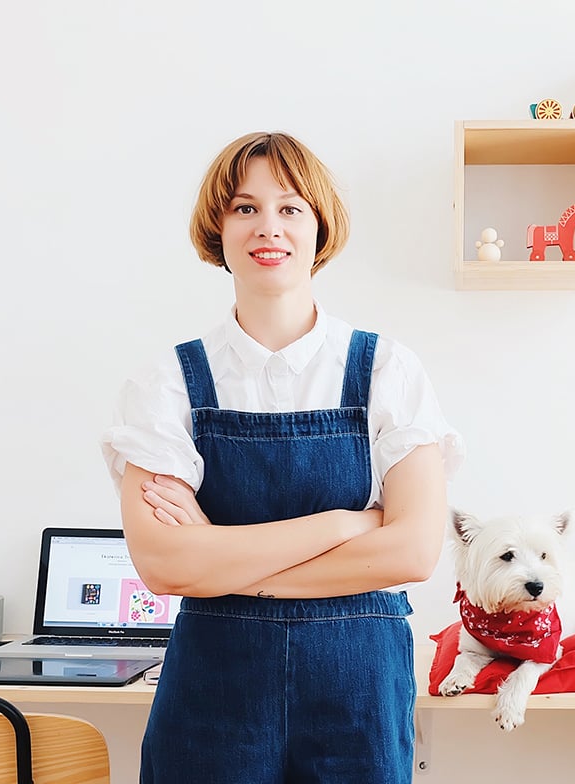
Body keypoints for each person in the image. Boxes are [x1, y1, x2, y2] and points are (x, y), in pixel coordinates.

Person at [100, 130, 464, 784]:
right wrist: (345, 525)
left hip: (359, 695)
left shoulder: (387, 370)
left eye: (291, 207)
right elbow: (163, 563)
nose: (269, 226)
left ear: (321, 227)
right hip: (213, 692)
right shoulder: (165, 384)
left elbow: (412, 552)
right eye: (245, 208)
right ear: (219, 226)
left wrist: (221, 559)